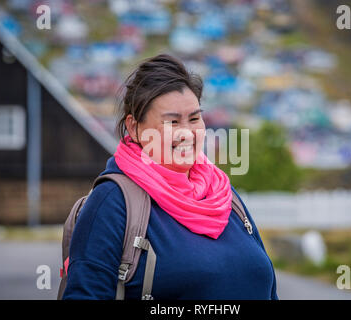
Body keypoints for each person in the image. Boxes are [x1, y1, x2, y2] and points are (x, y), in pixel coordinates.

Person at [62, 54, 278, 300]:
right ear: (134, 127)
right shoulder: (112, 202)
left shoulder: (223, 195)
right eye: (172, 122)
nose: (187, 133)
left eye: (195, 119)